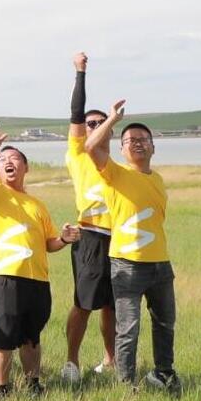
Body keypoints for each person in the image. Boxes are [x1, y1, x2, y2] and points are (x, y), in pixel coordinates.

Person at [82, 101, 179, 392]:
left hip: (160, 264)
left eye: (143, 140)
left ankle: (164, 374)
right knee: (128, 327)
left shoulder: (158, 179)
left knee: (165, 323)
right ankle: (127, 384)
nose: (137, 144)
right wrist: (112, 119)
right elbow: (90, 147)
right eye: (130, 141)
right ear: (121, 149)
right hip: (127, 264)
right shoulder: (115, 174)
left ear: (153, 147)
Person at [0, 131, 79, 394]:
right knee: (4, 335)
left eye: (15, 158)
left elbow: (49, 243)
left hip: (38, 279)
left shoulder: (37, 204)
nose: (9, 161)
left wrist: (64, 239)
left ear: (26, 167)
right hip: (5, 275)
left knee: (32, 335)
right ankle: (2, 389)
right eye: (3, 159)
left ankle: (33, 384)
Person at [61, 53, 118, 382]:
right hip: (91, 237)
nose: (95, 127)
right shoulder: (78, 154)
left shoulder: (117, 166)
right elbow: (75, 113)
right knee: (84, 302)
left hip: (119, 240)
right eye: (91, 124)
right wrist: (81, 72)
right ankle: (72, 362)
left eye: (101, 123)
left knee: (111, 306)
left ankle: (110, 361)